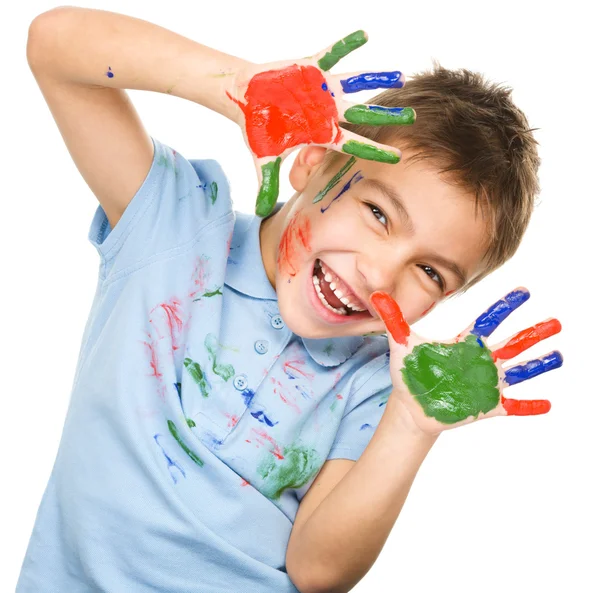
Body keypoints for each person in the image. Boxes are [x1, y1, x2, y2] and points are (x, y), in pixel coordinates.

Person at [20, 6, 563, 593]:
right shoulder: (173, 225)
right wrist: (235, 86)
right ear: (312, 161)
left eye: (429, 272)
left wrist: (410, 426)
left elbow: (317, 571)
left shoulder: (378, 386)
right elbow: (54, 45)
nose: (381, 275)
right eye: (378, 213)